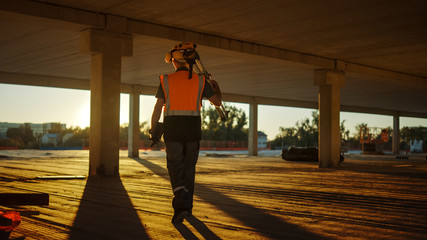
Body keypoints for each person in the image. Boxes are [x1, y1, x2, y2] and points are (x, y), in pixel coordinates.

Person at [150, 42, 222, 223]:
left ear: (174, 62)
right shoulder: (200, 80)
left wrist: (153, 129)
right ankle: (187, 209)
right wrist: (215, 85)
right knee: (189, 170)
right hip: (192, 132)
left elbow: (158, 107)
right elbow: (218, 102)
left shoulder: (166, 80)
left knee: (175, 169)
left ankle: (181, 207)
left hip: (173, 131)